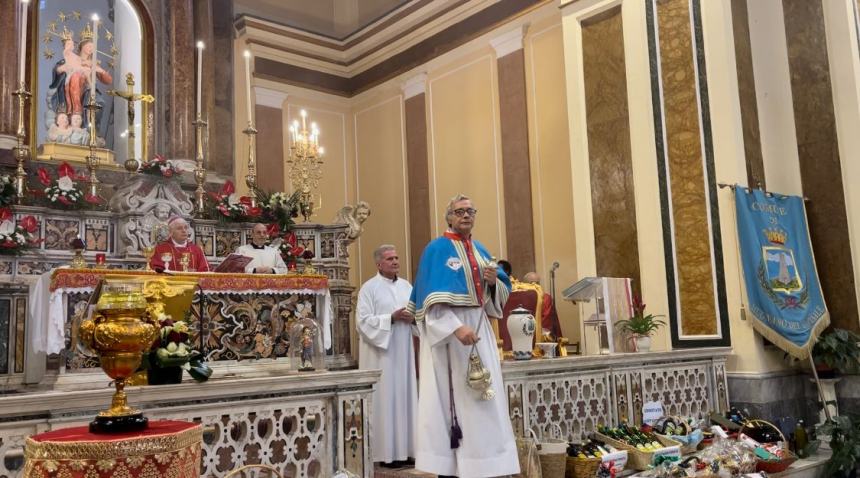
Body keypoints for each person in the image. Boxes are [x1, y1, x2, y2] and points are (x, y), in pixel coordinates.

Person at [408, 194, 519, 478]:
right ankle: (455, 467)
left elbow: (495, 298)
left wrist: (494, 283)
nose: (465, 216)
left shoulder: (481, 250)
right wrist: (456, 328)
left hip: (479, 330)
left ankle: (485, 464)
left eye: (470, 211)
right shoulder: (436, 250)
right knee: (456, 403)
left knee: (484, 399)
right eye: (459, 212)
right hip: (450, 338)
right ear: (449, 217)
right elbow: (429, 304)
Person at [356, 245, 416, 467]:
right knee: (385, 399)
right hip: (381, 355)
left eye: (397, 257)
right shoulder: (369, 288)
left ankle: (408, 450)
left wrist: (414, 319)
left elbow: (419, 313)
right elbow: (362, 322)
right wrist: (390, 318)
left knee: (405, 396)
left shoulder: (407, 286)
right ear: (379, 263)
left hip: (404, 352)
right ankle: (386, 454)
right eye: (390, 258)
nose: (395, 261)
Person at [501, 271, 563, 351]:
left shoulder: (507, 296)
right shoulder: (545, 298)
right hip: (538, 343)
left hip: (509, 342)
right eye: (536, 283)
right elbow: (547, 323)